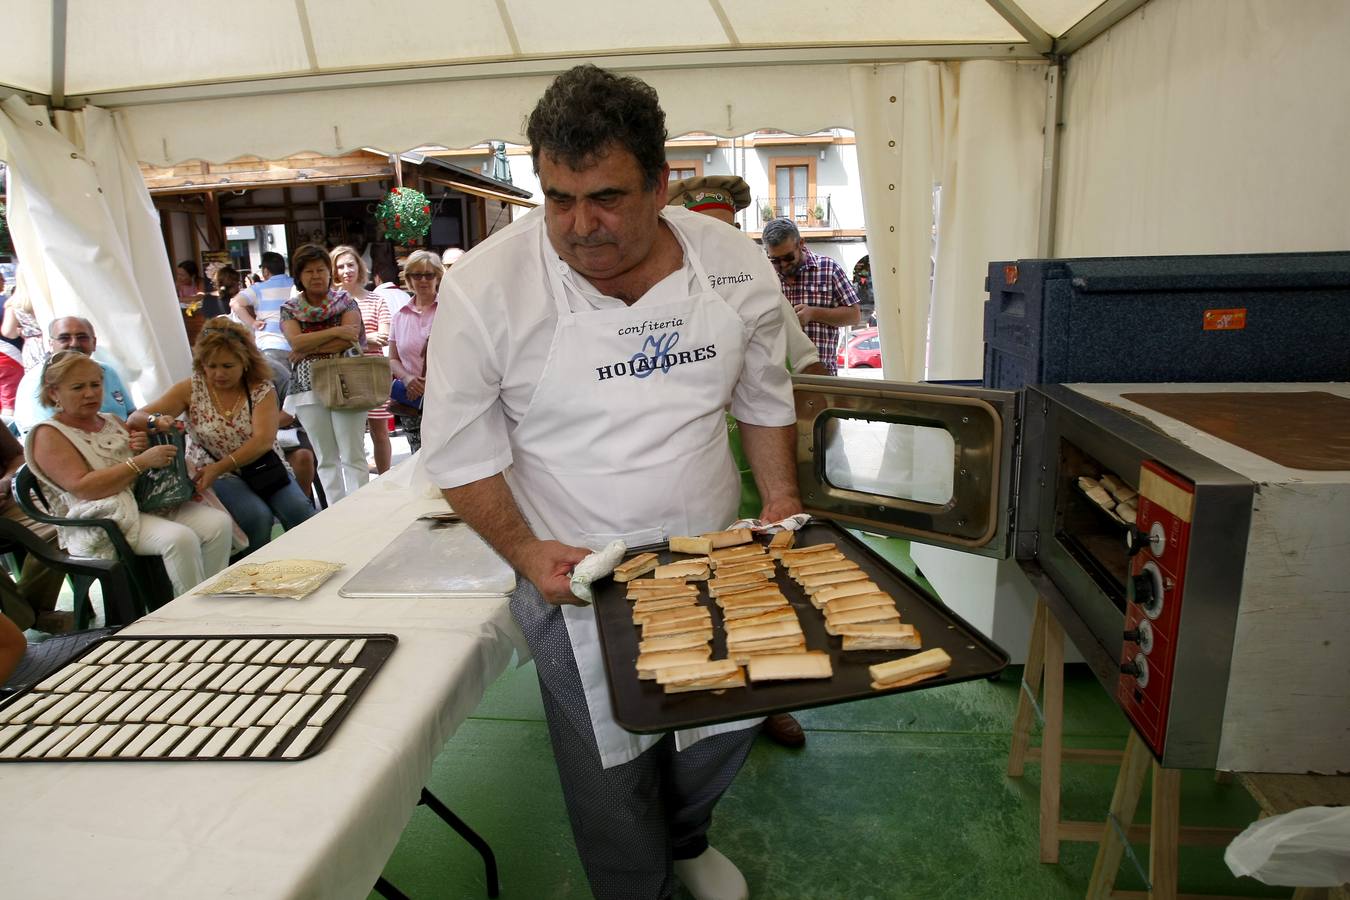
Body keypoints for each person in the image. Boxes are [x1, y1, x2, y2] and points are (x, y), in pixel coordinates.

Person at [422, 64, 801, 900]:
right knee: (610, 764)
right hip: (575, 567)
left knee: (719, 725)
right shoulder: (487, 288)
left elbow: (764, 396)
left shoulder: (732, 264)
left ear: (663, 184)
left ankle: (688, 837)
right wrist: (525, 551)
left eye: (607, 198)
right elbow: (457, 452)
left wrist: (777, 500)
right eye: (557, 199)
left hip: (715, 549)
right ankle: (640, 887)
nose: (580, 226)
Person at [667, 175, 821, 751]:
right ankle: (702, 693)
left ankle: (769, 702)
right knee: (692, 589)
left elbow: (806, 371)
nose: (720, 247)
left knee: (765, 585)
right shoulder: (662, 297)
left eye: (730, 233)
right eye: (709, 233)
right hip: (692, 471)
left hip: (754, 469)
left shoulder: (762, 293)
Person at [25, 351, 232, 596]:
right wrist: (140, 462)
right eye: (78, 387)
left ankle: (210, 598)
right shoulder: (48, 434)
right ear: (53, 393)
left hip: (142, 502)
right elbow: (84, 488)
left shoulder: (110, 420)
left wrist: (141, 450)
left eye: (95, 384)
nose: (90, 393)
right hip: (103, 516)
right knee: (180, 539)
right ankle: (190, 615)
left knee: (219, 523)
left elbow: (133, 462)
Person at [129, 319, 314, 557]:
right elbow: (136, 417)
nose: (218, 374)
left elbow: (262, 442)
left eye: (228, 366)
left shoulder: (261, 389)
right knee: (256, 517)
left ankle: (310, 560)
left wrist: (220, 467)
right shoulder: (190, 388)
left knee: (299, 511)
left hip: (260, 464)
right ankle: (254, 574)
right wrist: (156, 421)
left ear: (245, 362)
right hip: (211, 470)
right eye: (211, 366)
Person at [279, 243, 369, 504]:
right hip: (307, 389)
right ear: (299, 276)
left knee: (353, 453)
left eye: (321, 270)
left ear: (330, 273)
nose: (316, 275)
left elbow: (350, 336)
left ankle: (364, 511)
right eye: (309, 271)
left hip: (347, 383)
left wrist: (310, 345)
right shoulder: (290, 308)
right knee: (325, 457)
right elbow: (295, 342)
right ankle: (337, 514)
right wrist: (334, 332)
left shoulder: (345, 301)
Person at [761, 217, 862, 375]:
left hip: (821, 378)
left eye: (788, 257)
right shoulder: (764, 275)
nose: (783, 265)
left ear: (801, 243)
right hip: (778, 379)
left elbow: (854, 316)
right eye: (775, 260)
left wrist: (814, 313)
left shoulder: (829, 269)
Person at [13, 317, 136, 434]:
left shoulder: (107, 370)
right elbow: (45, 435)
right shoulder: (38, 380)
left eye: (82, 337)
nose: (74, 344)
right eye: (64, 338)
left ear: (94, 343)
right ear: (50, 344)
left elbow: (131, 414)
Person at [0, 425, 69, 633]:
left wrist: (5, 480)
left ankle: (23, 616)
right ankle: (27, 620)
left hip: (5, 499)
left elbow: (18, 457)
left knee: (64, 532)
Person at [331, 245, 393, 474]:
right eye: (340, 266)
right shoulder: (330, 303)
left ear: (359, 266)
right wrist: (366, 337)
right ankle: (356, 487)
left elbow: (385, 337)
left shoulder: (377, 300)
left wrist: (348, 337)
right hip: (342, 375)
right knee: (350, 436)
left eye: (350, 264)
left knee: (380, 432)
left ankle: (386, 479)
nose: (346, 270)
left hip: (373, 373)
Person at [387, 249, 441, 455]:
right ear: (409, 278)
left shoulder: (449, 308)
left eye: (429, 274)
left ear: (437, 277)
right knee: (416, 458)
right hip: (413, 399)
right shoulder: (399, 317)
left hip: (444, 396)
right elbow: (392, 359)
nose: (423, 280)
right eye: (417, 275)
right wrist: (408, 378)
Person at [231, 251, 295, 378]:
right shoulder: (296, 284)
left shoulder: (258, 288)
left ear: (266, 271)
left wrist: (252, 322)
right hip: (298, 345)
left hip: (270, 345)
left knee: (277, 389)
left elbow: (235, 303)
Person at [1, 280, 46, 372]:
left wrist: (22, 331)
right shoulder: (53, 296)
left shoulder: (15, 302)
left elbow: (9, 332)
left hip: (34, 347)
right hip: (58, 341)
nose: (4, 281)